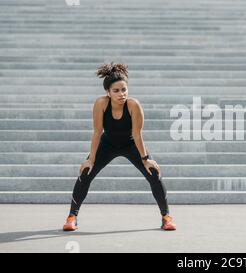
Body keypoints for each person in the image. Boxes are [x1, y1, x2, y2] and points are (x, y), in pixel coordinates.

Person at [63, 62, 176, 231]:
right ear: (107, 92)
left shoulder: (133, 105)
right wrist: (90, 160)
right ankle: (72, 217)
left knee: (153, 173)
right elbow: (97, 132)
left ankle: (166, 217)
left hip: (130, 144)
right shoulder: (101, 104)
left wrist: (146, 160)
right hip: (107, 144)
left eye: (124, 89)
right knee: (86, 172)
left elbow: (137, 134)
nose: (121, 94)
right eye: (116, 91)